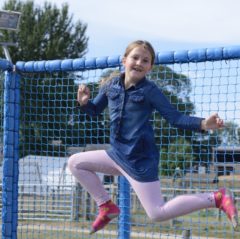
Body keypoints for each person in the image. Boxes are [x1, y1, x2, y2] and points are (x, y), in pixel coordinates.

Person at [68, 40, 238, 234]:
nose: (139, 62)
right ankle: (106, 206)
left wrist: (203, 124)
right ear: (124, 60)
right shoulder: (110, 85)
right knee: (75, 163)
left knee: (157, 213)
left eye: (145, 60)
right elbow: (94, 110)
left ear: (150, 67)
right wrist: (84, 103)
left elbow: (176, 118)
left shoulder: (150, 91)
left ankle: (217, 198)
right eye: (135, 57)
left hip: (139, 160)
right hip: (116, 155)